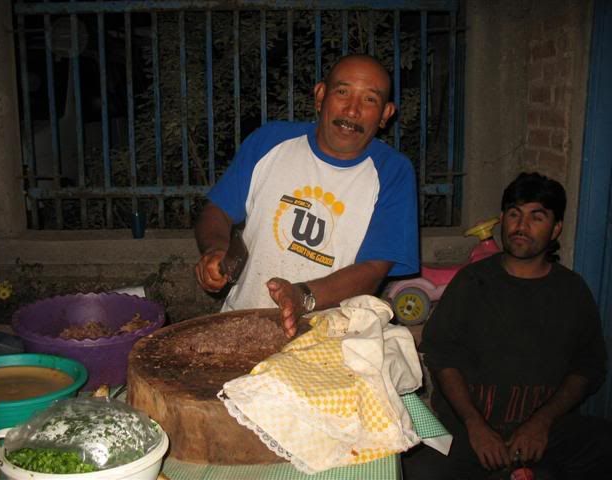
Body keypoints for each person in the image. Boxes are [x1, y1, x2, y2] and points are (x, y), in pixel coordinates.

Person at [403, 172, 611, 479]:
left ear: (556, 229)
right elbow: (443, 355)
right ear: (502, 220)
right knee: (413, 467)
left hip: (544, 434)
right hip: (471, 432)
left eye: (536, 217)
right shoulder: (472, 282)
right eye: (514, 214)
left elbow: (587, 366)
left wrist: (541, 423)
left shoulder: (571, 291)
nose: (521, 226)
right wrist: (475, 425)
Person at [194, 54, 419, 337]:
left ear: (385, 114)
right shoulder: (270, 142)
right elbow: (218, 210)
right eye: (342, 92)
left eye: (369, 100)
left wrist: (303, 297)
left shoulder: (392, 172)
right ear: (320, 95)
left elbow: (373, 269)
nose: (352, 110)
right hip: (240, 324)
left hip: (328, 339)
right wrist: (215, 251)